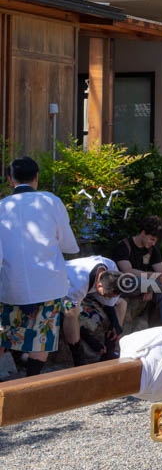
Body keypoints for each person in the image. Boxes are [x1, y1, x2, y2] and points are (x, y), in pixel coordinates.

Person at [0, 157, 80, 377]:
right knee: (41, 340)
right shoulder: (51, 201)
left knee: (4, 335)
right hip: (48, 286)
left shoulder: (1, 206)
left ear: (10, 180)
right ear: (37, 178)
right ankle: (30, 383)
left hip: (11, 286)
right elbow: (67, 245)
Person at [108, 216, 162, 330]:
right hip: (124, 286)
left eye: (155, 241)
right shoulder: (123, 246)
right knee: (136, 279)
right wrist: (150, 283)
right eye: (152, 239)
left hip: (144, 286)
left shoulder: (152, 250)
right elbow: (128, 271)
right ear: (143, 233)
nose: (153, 243)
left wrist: (151, 287)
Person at [63, 256, 127, 366]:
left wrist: (116, 324)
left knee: (122, 303)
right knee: (71, 313)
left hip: (89, 293)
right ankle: (79, 359)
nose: (109, 298)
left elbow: (110, 303)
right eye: (107, 295)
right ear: (99, 285)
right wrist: (91, 341)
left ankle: (109, 352)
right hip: (62, 292)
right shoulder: (78, 283)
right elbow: (68, 313)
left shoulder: (111, 268)